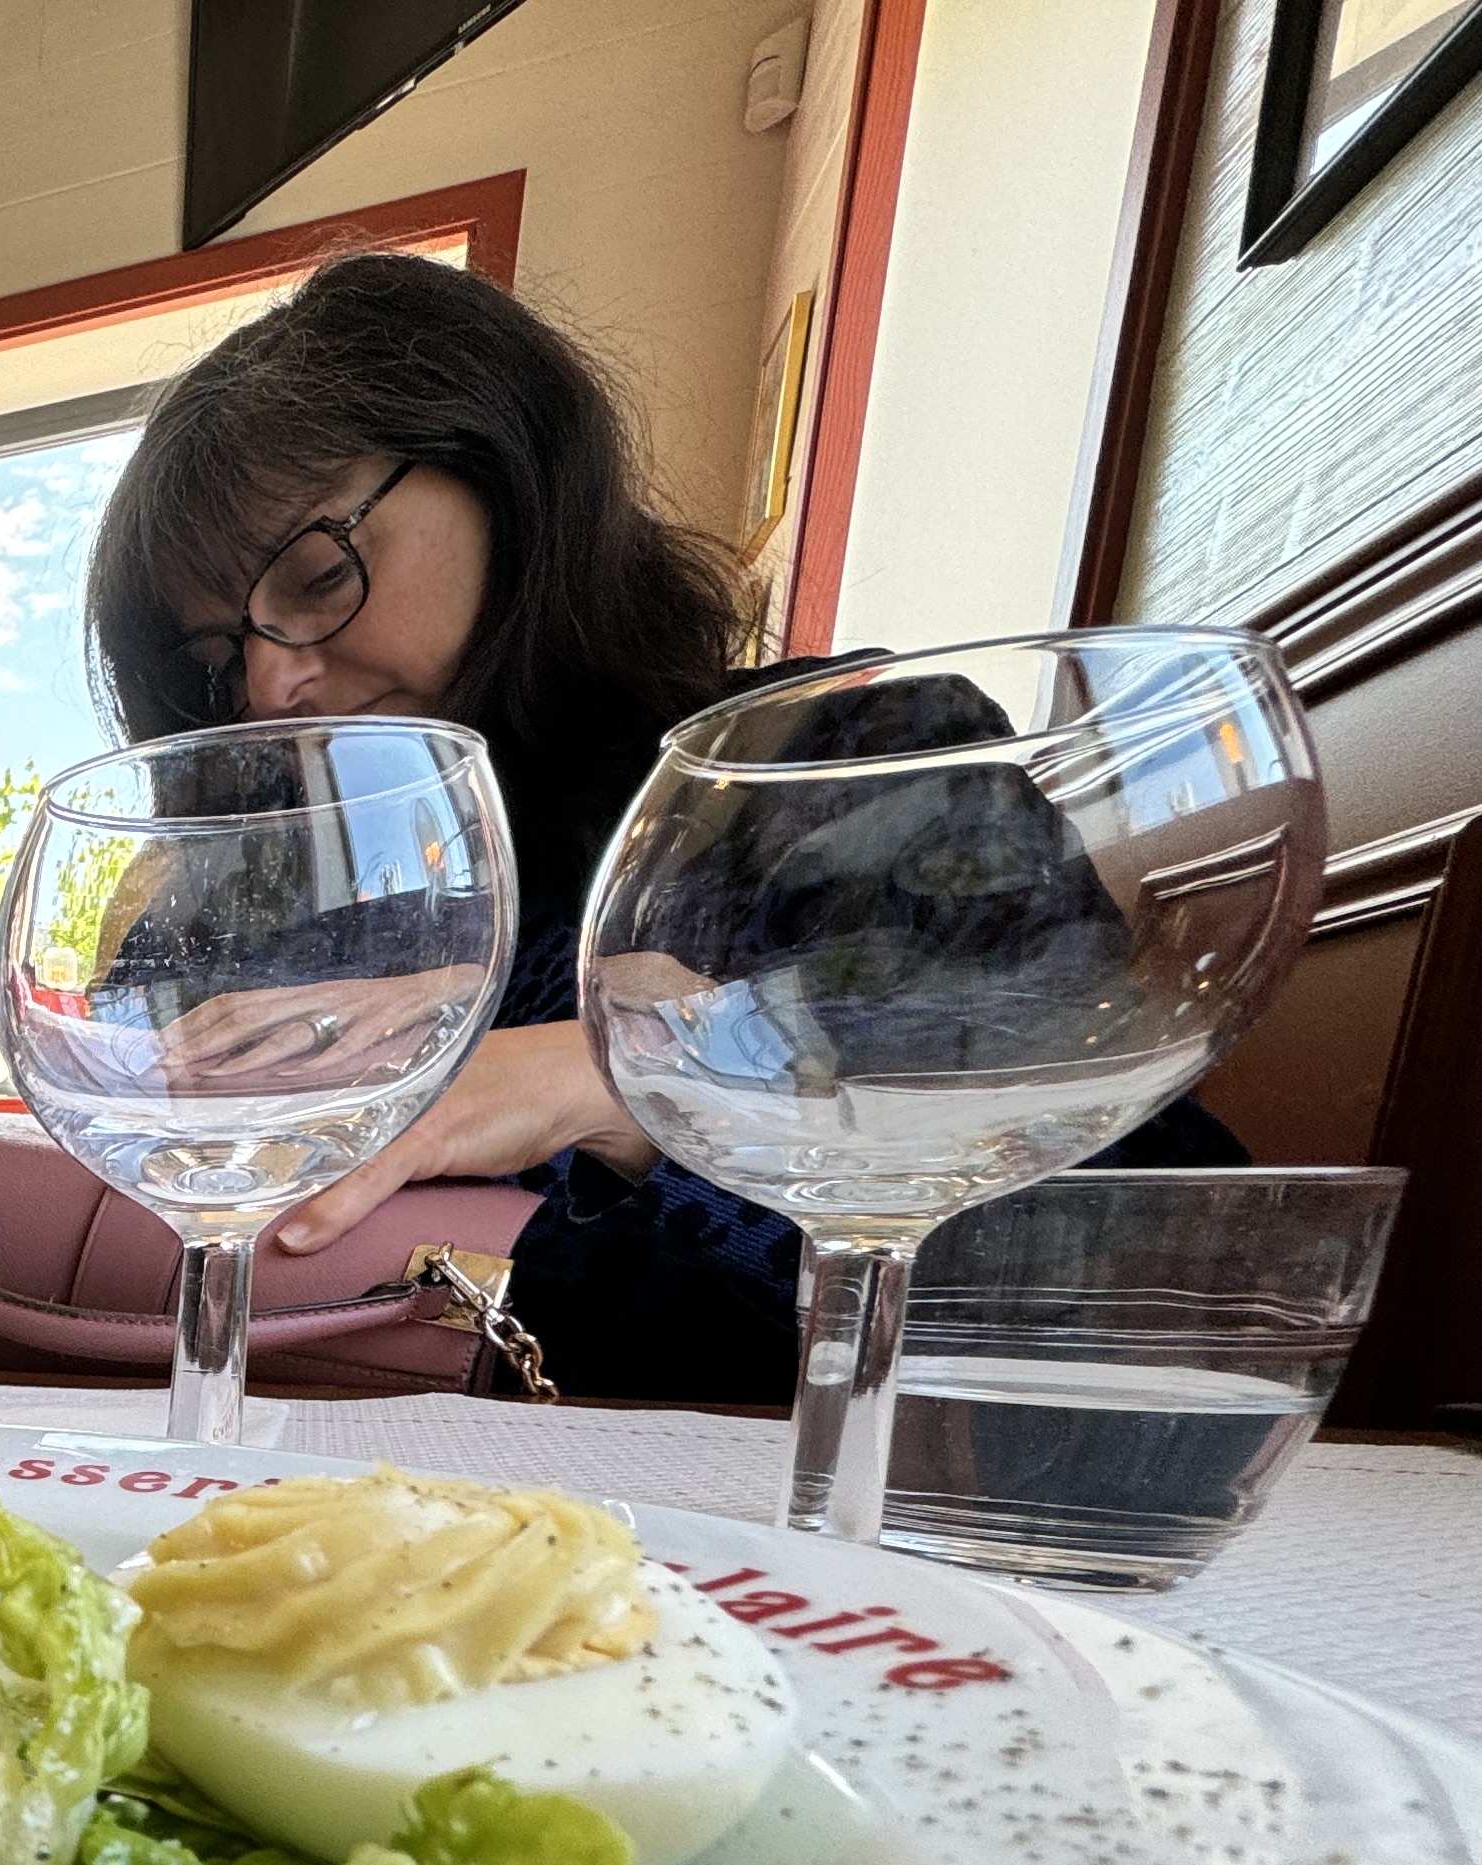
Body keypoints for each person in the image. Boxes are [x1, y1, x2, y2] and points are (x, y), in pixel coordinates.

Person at [80, 254, 1238, 1401]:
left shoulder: (847, 773)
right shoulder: (226, 905)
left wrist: (647, 1076)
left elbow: (1146, 1275)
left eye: (315, 575)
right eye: (215, 658)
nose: (271, 686)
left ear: (499, 469)